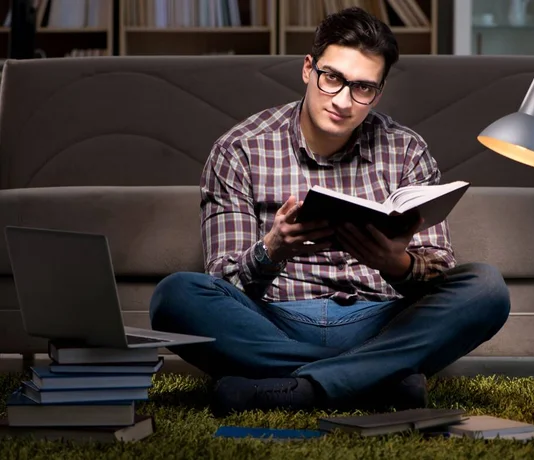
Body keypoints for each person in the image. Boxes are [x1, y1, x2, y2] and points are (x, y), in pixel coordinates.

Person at [149, 7, 511, 417]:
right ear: (308, 69)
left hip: (379, 323)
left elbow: (440, 270)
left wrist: (397, 264)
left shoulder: (406, 149)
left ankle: (295, 388)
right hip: (272, 321)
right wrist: (271, 250)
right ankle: (377, 381)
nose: (343, 100)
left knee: (486, 288)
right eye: (333, 78)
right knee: (174, 296)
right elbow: (223, 282)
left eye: (363, 88)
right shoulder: (239, 149)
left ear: (379, 91)